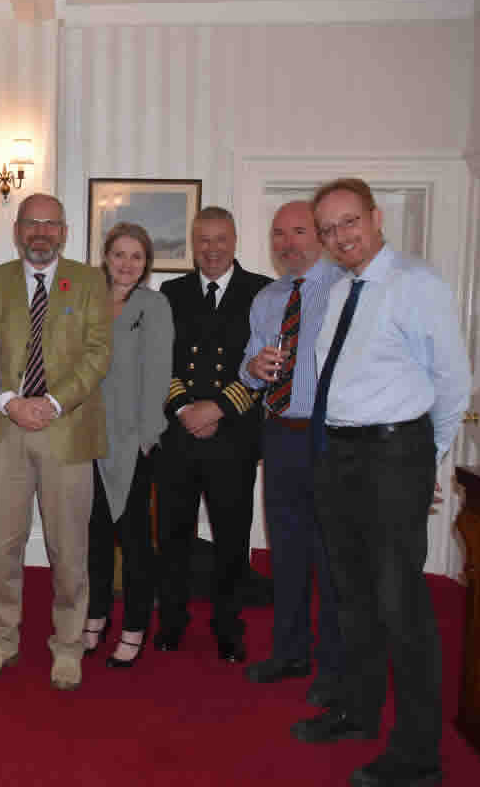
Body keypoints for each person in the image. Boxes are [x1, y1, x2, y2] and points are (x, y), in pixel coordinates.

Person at [291, 178, 470, 787]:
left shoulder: (417, 285)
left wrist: (427, 460)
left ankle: (419, 754)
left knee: (402, 604)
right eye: (329, 229)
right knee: (351, 595)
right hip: (338, 454)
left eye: (349, 222)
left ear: (375, 217)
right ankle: (358, 712)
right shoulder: (343, 292)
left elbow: (451, 382)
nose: (340, 236)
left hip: (395, 454)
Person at [0, 192, 111, 691]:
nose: (41, 232)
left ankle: (68, 645)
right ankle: (0, 639)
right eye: (32, 223)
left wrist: (51, 403)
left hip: (67, 432)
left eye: (51, 224)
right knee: (4, 544)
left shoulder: (92, 282)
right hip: (7, 432)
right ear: (17, 229)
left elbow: (97, 355)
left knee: (69, 547)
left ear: (65, 231)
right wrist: (10, 400)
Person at [239, 202, 346, 703]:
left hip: (332, 437)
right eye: (278, 233)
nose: (288, 243)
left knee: (331, 557)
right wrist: (253, 367)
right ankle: (289, 652)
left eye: (299, 232)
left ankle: (334, 668)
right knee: (286, 552)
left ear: (321, 236)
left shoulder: (347, 290)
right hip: (279, 432)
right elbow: (247, 366)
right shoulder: (267, 298)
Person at [155, 206, 271, 663]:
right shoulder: (172, 291)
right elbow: (160, 360)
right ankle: (174, 622)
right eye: (203, 240)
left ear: (236, 240)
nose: (211, 249)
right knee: (174, 536)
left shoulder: (261, 292)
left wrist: (218, 408)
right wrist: (185, 408)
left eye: (220, 239)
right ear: (193, 243)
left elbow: (268, 364)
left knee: (231, 539)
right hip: (180, 435)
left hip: (233, 437)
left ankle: (228, 625)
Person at [82, 223, 173, 668]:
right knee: (94, 539)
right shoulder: (87, 300)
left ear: (146, 263)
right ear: (106, 256)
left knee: (135, 542)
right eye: (119, 254)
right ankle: (96, 616)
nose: (127, 264)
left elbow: (158, 375)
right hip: (87, 439)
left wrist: (147, 437)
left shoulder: (154, 306)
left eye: (136, 256)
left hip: (135, 442)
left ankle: (135, 625)